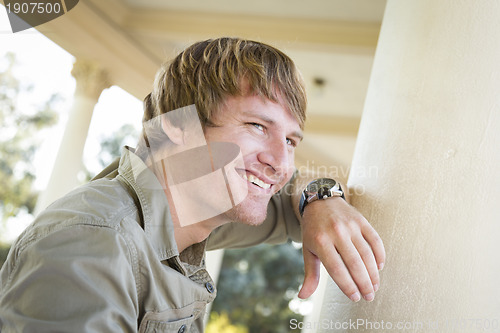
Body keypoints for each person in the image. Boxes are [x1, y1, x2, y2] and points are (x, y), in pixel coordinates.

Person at [0, 37, 385, 332]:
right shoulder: (92, 244)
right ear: (177, 126)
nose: (280, 162)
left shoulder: (199, 207)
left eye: (290, 141)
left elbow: (302, 197)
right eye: (256, 126)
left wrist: (321, 198)